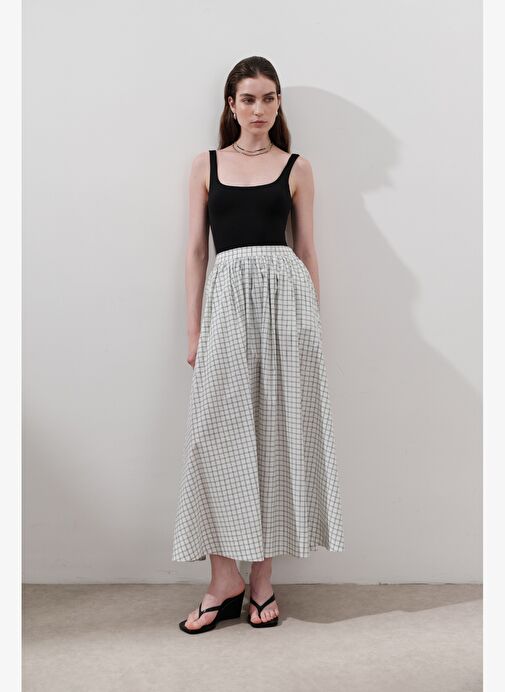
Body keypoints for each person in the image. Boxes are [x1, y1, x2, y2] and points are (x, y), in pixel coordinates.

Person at [172, 56, 345, 634]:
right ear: (231, 104)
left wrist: (312, 323)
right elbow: (196, 251)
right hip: (226, 308)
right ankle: (224, 579)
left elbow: (308, 249)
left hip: (286, 311)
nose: (259, 109)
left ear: (278, 104)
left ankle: (263, 579)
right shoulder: (206, 165)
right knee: (215, 437)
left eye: (269, 98)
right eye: (248, 99)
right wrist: (194, 330)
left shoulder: (297, 168)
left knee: (272, 439)